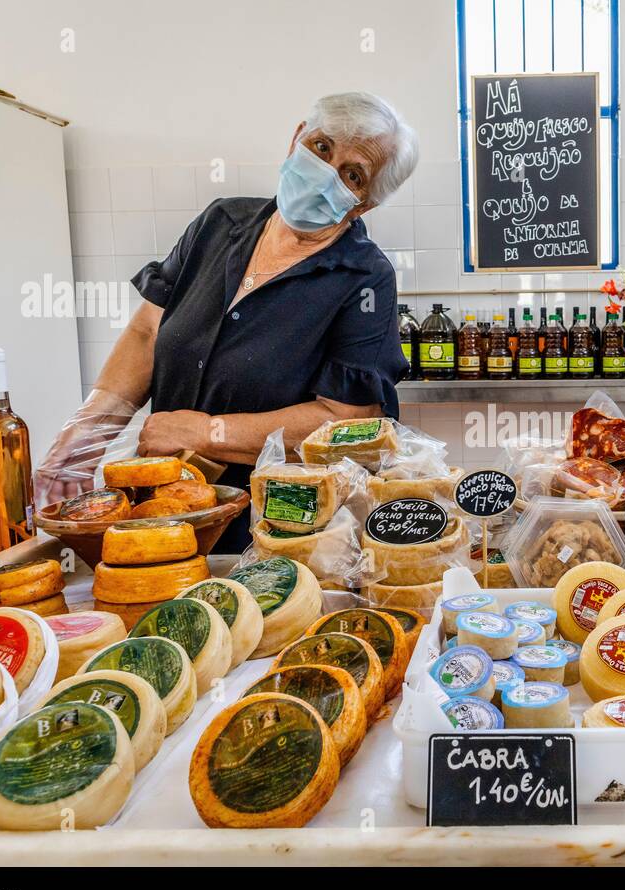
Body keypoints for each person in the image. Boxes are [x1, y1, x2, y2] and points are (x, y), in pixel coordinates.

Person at [36, 91, 418, 551]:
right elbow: (146, 332)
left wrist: (205, 432)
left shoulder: (365, 279)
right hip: (163, 510)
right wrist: (91, 429)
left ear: (363, 204)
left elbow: (345, 420)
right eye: (321, 147)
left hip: (275, 532)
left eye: (352, 174)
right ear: (297, 137)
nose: (326, 172)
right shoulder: (219, 222)